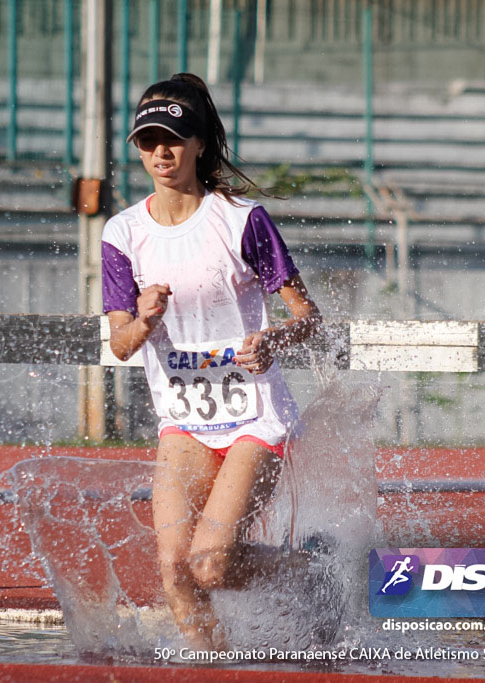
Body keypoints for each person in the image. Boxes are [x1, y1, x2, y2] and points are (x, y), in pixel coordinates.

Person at [101, 73, 322, 650]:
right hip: (183, 419)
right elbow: (120, 344)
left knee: (211, 566)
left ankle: (314, 576)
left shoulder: (241, 220)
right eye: (149, 142)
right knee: (177, 568)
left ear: (201, 144)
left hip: (255, 415)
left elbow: (309, 318)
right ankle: (212, 664)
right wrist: (144, 321)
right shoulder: (123, 232)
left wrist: (274, 341)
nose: (162, 153)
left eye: (174, 139)